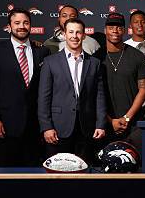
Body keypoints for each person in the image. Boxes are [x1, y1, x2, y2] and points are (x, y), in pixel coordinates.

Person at [0, 8, 51, 166]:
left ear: (30, 26)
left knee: (32, 178)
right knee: (4, 176)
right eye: (17, 22)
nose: (22, 26)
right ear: (9, 26)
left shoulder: (42, 52)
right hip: (4, 126)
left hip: (34, 127)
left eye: (26, 22)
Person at [38, 18, 106, 164]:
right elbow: (43, 98)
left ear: (84, 35)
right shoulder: (50, 62)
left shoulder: (94, 63)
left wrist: (100, 124)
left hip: (86, 129)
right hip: (58, 128)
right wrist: (46, 127)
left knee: (85, 175)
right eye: (71, 32)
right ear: (64, 34)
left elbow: (99, 97)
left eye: (78, 32)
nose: (74, 36)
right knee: (57, 175)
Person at [93, 13, 145, 151]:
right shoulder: (95, 59)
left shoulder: (137, 56)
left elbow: (143, 89)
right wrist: (110, 121)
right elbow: (91, 93)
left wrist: (127, 118)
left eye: (119, 27)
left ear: (124, 30)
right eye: (111, 27)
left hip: (133, 124)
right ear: (105, 30)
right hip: (104, 125)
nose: (115, 31)